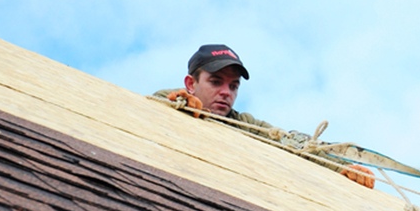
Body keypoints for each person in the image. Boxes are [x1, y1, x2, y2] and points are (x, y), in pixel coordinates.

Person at [155, 44, 374, 189]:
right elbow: (159, 102)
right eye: (215, 82)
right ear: (191, 84)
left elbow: (293, 144)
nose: (226, 92)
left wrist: (343, 168)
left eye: (233, 86)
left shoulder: (244, 124)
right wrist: (179, 103)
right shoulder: (171, 101)